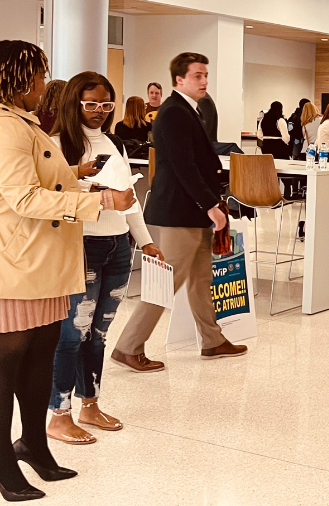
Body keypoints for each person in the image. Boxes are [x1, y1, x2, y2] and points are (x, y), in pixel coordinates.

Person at [0, 40, 135, 501]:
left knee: (39, 358)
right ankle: (3, 465)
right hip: (20, 264)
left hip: (44, 261)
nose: (43, 85)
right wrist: (98, 201)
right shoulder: (7, 127)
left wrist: (79, 177)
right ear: (17, 79)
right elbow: (21, 198)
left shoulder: (26, 124)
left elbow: (44, 182)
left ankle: (34, 444)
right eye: (38, 75)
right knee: (8, 368)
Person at [112, 52, 248, 373]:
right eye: (197, 75)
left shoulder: (188, 111)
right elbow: (184, 167)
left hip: (190, 211)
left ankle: (212, 340)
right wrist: (212, 205)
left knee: (200, 278)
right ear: (179, 80)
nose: (204, 81)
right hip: (178, 213)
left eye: (205, 75)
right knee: (167, 280)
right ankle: (128, 346)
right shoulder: (174, 113)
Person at [48, 72, 164, 445]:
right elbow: (52, 197)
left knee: (98, 334)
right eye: (91, 104)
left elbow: (128, 197)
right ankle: (58, 414)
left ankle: (90, 404)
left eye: (106, 104)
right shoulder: (57, 145)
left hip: (118, 247)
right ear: (74, 104)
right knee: (72, 334)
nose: (99, 111)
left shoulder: (114, 143)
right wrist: (90, 187)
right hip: (81, 247)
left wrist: (144, 242)